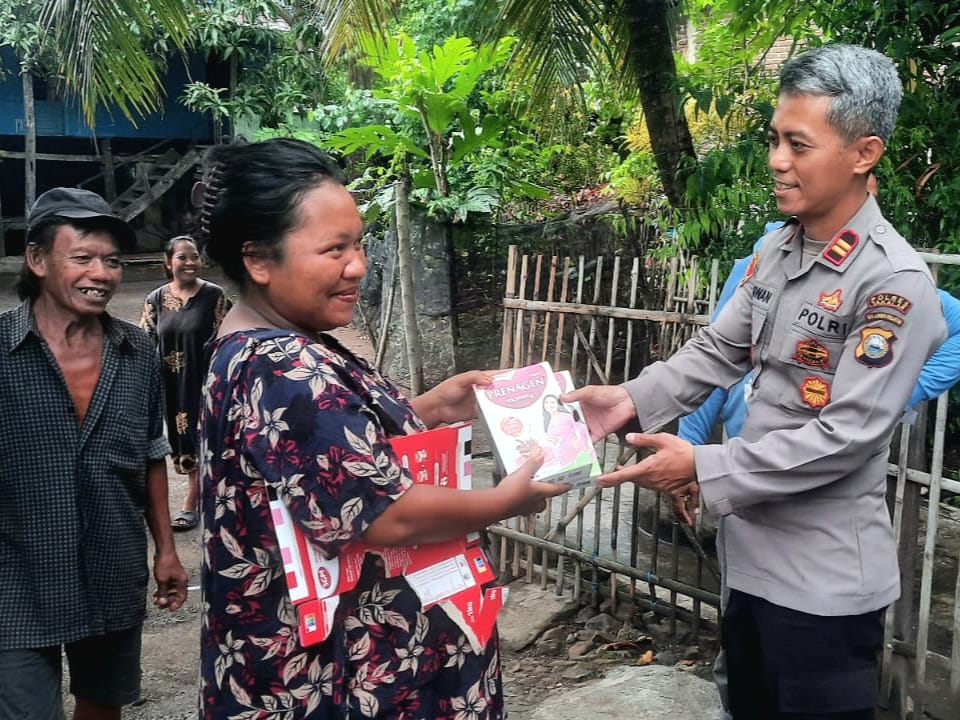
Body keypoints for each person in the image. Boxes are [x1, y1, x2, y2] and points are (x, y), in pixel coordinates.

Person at [564, 45, 947, 719]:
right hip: (748, 563)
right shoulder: (776, 249)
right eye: (775, 140)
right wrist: (627, 400)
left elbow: (846, 436)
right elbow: (720, 349)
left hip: (822, 586)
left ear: (864, 153)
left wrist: (700, 465)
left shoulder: (893, 282)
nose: (776, 160)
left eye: (799, 144)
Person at [195, 137, 567, 719]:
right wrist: (504, 501)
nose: (357, 266)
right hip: (346, 678)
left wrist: (428, 408)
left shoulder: (261, 346)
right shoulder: (282, 364)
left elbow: (316, 457)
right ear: (259, 260)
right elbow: (386, 513)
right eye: (333, 249)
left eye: (358, 243)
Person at [0, 187, 188, 719]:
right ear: (38, 259)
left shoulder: (137, 351)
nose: (101, 274)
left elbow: (151, 452)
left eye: (112, 261)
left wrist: (166, 550)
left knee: (104, 705)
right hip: (16, 573)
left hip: (112, 563)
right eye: (82, 258)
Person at [140, 235, 231, 531]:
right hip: (173, 384)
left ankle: (193, 502)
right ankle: (204, 497)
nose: (190, 262)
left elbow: (230, 338)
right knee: (183, 437)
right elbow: (145, 342)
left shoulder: (214, 296)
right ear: (168, 263)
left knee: (208, 437)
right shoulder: (155, 299)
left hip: (207, 381)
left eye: (194, 256)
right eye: (182, 257)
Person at [541, 394, 592, 469]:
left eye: (552, 402)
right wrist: (553, 440)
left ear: (558, 404)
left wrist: (587, 445)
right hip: (561, 455)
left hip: (575, 452)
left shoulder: (566, 416)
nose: (549, 405)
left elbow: (582, 428)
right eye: (547, 403)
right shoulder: (547, 421)